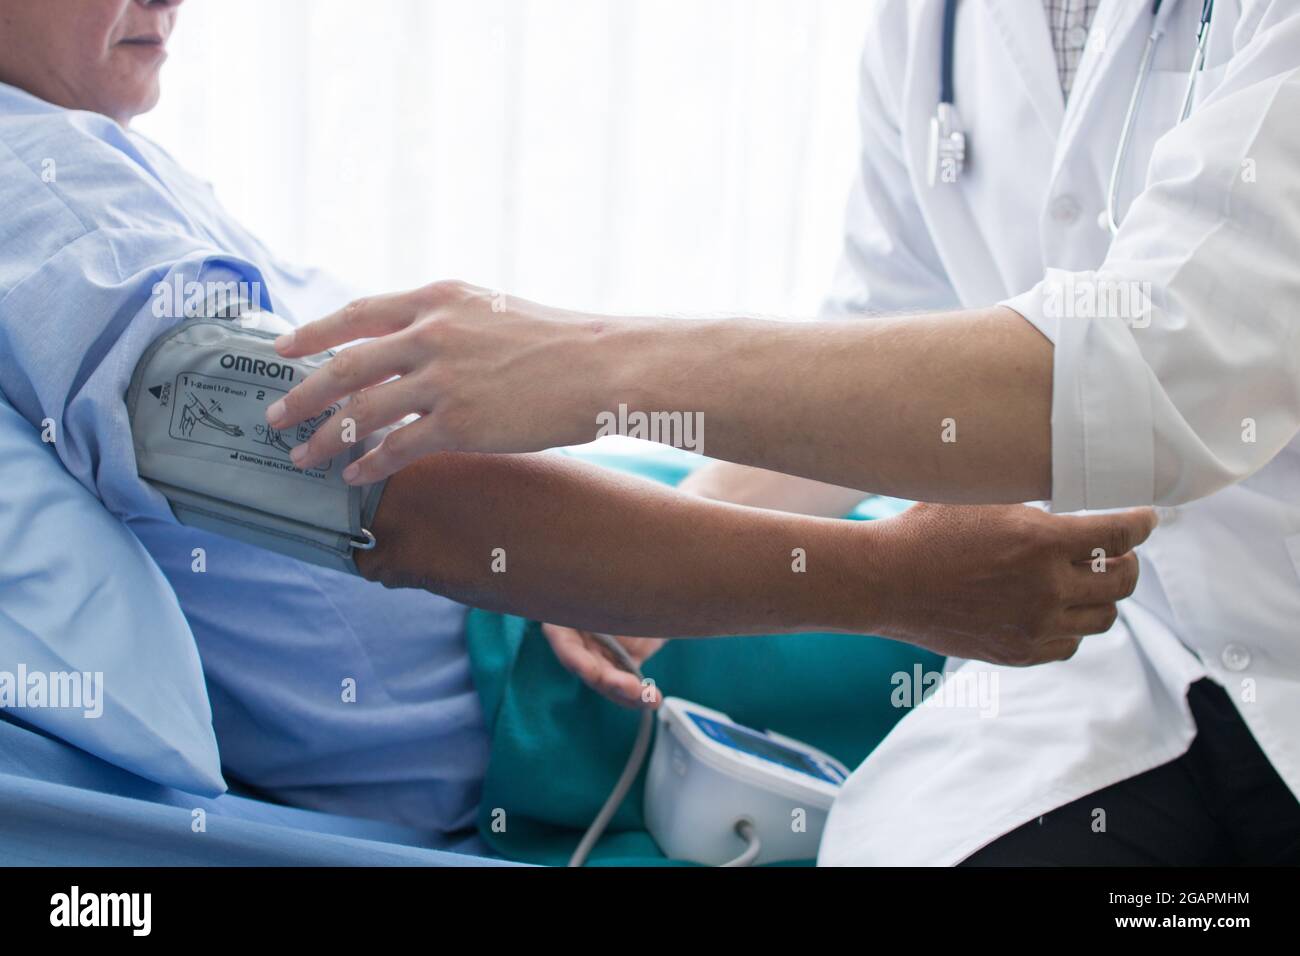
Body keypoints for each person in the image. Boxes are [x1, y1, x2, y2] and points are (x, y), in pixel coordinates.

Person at [0, 0, 1149, 845]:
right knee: (1109, 701)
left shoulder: (83, 158)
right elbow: (384, 492)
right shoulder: (40, 194)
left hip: (582, 590)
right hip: (533, 659)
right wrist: (892, 580)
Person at [272, 0, 1300, 864]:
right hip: (1139, 650)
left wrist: (587, 366)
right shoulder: (937, 24)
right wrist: (658, 551)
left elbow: (1133, 373)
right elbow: (888, 329)